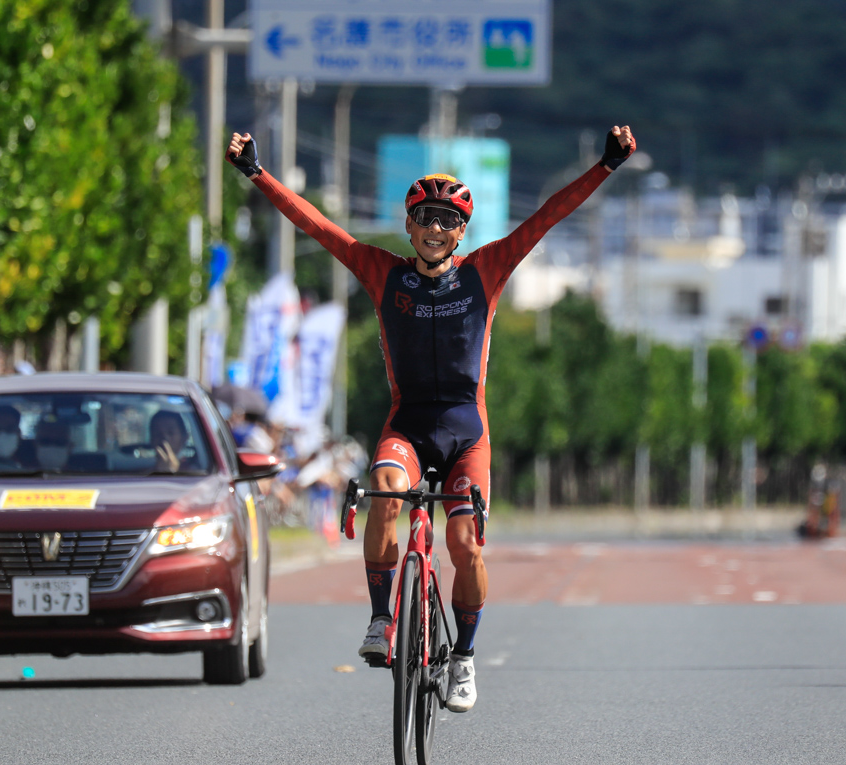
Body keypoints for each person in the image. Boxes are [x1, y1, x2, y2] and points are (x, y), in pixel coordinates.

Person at [227, 123, 637, 712]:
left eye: (449, 220)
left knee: (465, 542)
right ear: (410, 225)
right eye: (427, 217)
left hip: (467, 428)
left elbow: (546, 217)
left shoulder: (485, 271)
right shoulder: (381, 272)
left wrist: (606, 166)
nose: (437, 229)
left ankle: (464, 659)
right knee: (385, 493)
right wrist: (257, 174)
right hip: (409, 426)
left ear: (462, 231)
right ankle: (379, 619)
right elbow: (317, 226)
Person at [150, 410, 194, 474]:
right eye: (158, 434)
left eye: (171, 433)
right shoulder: (142, 476)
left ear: (184, 437)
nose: (164, 439)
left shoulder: (194, 472)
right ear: (152, 440)